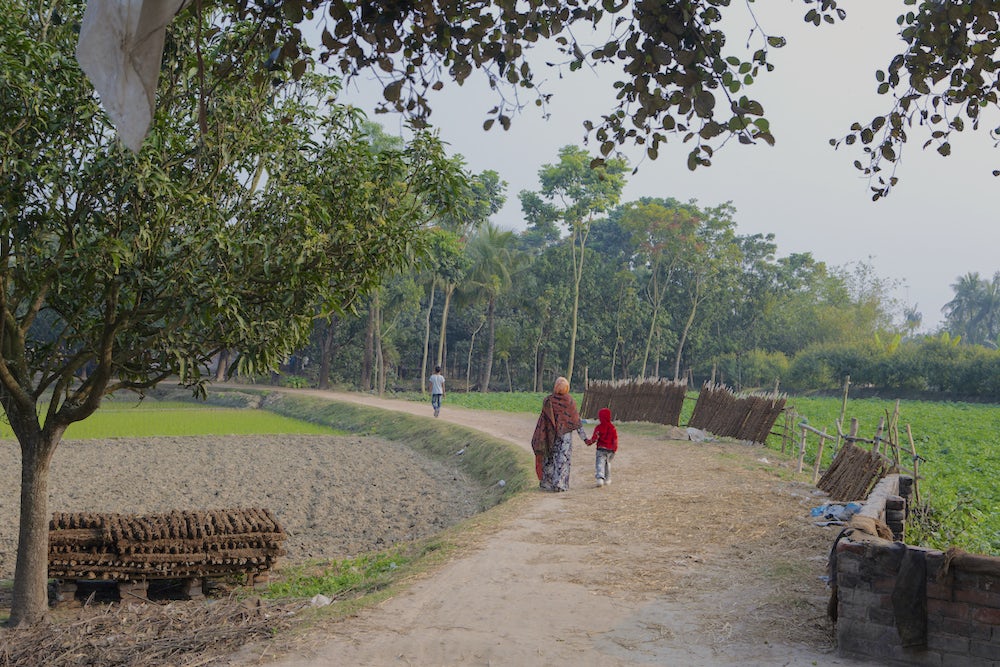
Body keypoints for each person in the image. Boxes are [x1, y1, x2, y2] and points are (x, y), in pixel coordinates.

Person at [530, 377, 588, 492]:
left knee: (549, 458)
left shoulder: (548, 401)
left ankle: (547, 482)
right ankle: (560, 484)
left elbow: (544, 420)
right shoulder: (570, 401)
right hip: (565, 437)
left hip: (551, 435)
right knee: (563, 459)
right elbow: (576, 420)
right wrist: (584, 438)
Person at [586, 407, 619, 487]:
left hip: (601, 449)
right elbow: (615, 439)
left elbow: (595, 438)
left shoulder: (598, 428)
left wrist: (589, 442)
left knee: (600, 463)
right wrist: (614, 449)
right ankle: (607, 479)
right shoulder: (612, 428)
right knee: (608, 464)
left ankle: (600, 478)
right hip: (611, 450)